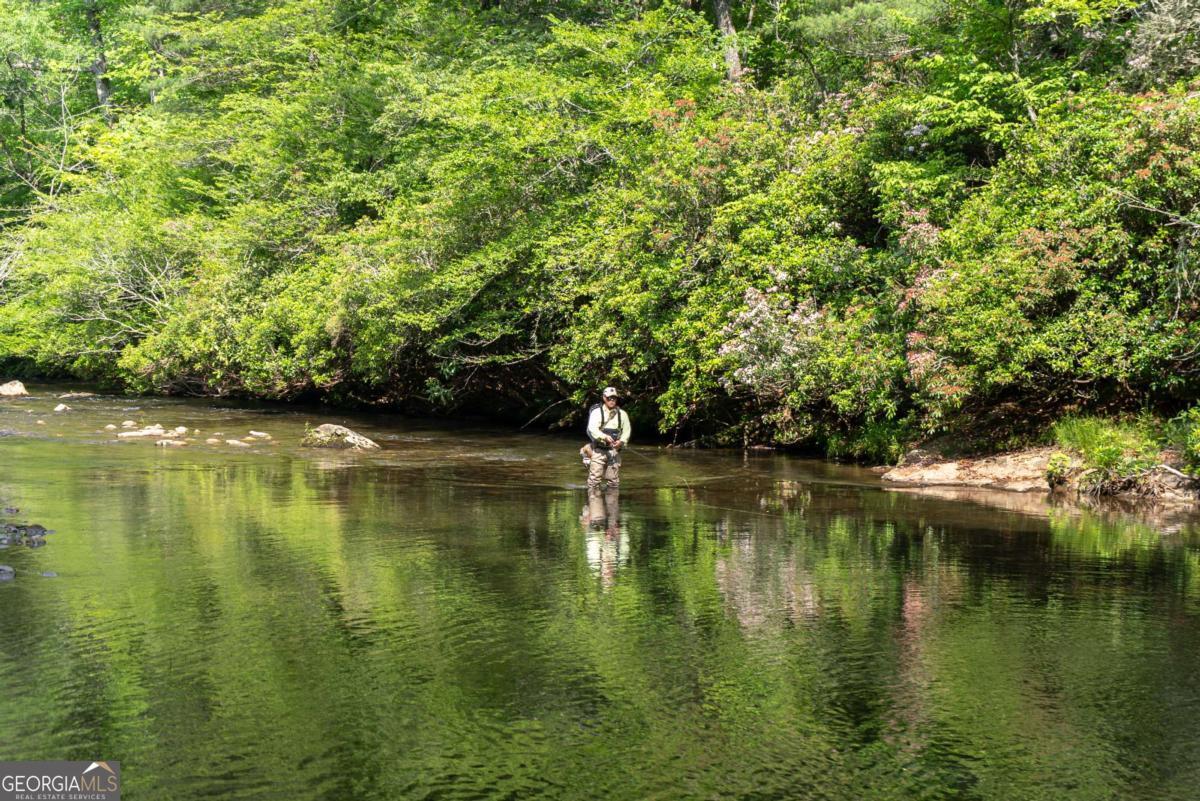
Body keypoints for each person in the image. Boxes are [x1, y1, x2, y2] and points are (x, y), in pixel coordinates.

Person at [585, 386, 631, 493]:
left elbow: (627, 431)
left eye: (614, 398)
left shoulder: (623, 414)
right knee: (594, 481)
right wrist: (604, 437)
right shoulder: (596, 412)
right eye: (609, 398)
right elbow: (592, 428)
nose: (612, 400)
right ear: (604, 398)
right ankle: (594, 500)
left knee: (613, 482)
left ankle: (612, 501)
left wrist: (621, 442)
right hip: (599, 450)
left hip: (614, 451)